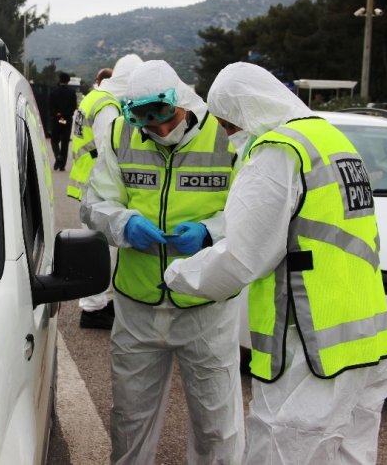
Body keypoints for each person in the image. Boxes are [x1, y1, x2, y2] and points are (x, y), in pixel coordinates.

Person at [164, 62, 387, 465]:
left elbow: (240, 259)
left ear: (245, 111)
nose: (226, 135)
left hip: (309, 350)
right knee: (350, 456)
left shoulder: (278, 152)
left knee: (280, 450)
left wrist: (177, 275)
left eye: (228, 124)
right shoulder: (332, 140)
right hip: (367, 344)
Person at [80, 60, 243, 464]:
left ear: (182, 100)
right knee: (130, 420)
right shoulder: (122, 133)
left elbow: (252, 214)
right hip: (138, 304)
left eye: (166, 116)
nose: (161, 129)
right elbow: (94, 203)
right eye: (148, 121)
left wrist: (209, 231)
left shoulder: (226, 137)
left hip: (206, 306)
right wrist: (124, 222)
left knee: (216, 426)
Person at [68, 54, 142, 330]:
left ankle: (101, 304)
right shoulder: (108, 107)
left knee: (101, 249)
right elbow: (110, 149)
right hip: (99, 187)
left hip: (90, 183)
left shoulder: (94, 97)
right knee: (102, 252)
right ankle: (93, 309)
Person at [49, 72, 78, 171]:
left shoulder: (54, 92)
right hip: (67, 120)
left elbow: (50, 106)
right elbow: (74, 106)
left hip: (57, 120)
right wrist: (65, 115)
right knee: (65, 142)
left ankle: (57, 155)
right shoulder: (72, 93)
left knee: (54, 140)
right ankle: (62, 165)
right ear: (68, 81)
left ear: (59, 80)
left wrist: (57, 114)